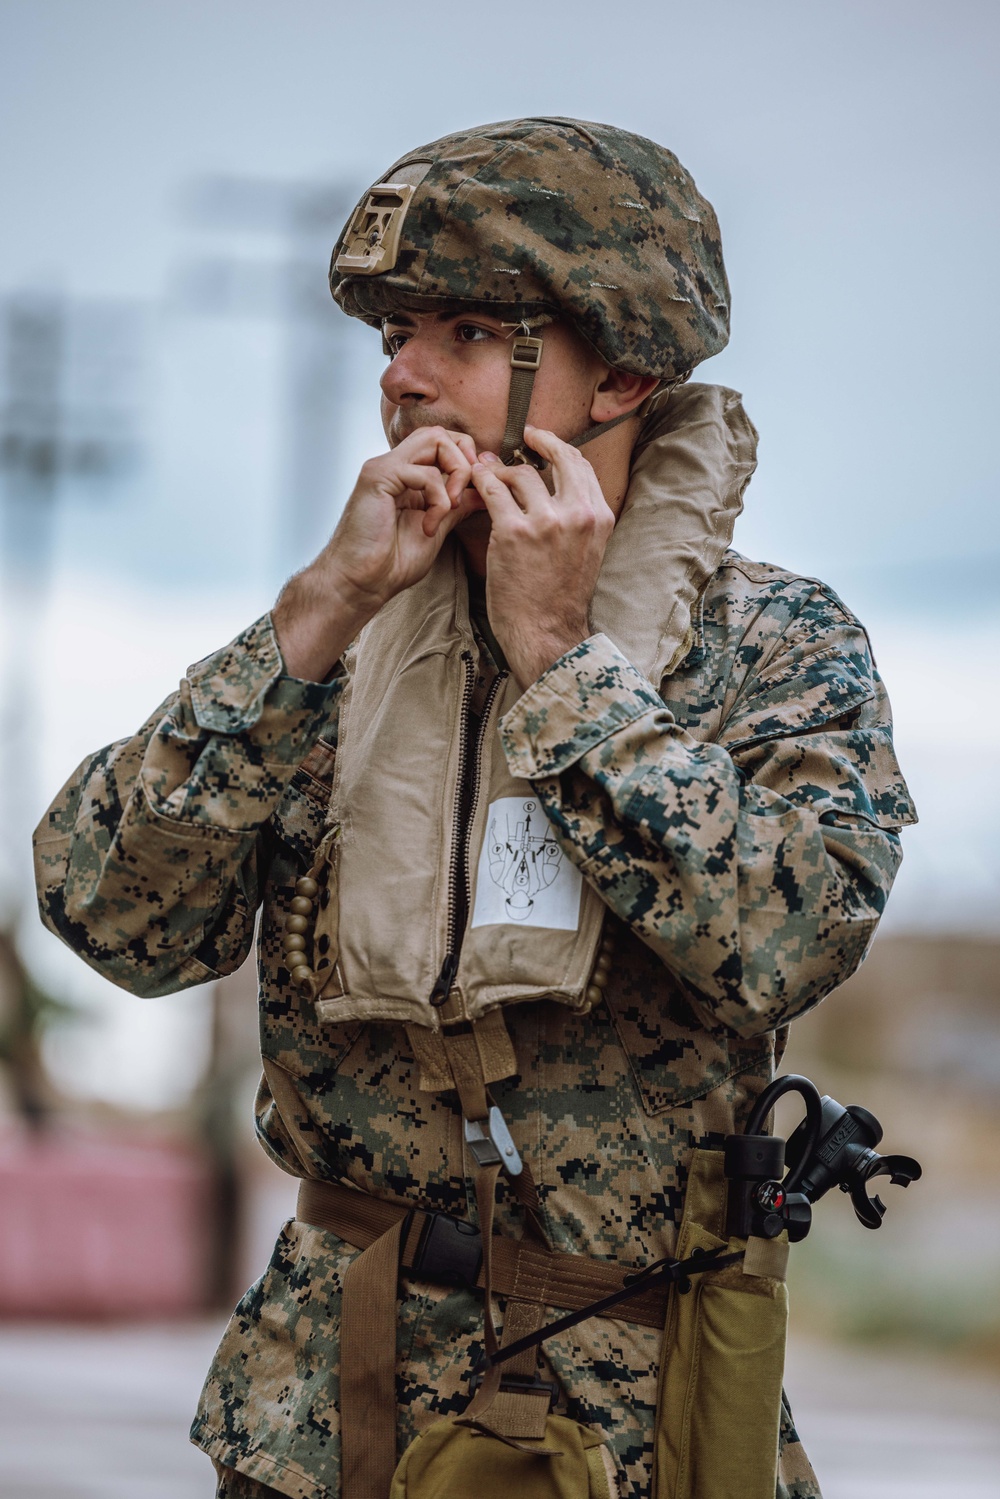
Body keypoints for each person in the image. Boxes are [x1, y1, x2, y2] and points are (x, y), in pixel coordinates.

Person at [33, 118, 916, 1499]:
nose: (399, 372)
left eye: (460, 328)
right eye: (393, 327)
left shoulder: (774, 648)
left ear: (621, 367)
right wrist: (313, 620)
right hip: (323, 1417)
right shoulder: (341, 636)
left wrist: (569, 671)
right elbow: (110, 921)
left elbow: (787, 936)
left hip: (631, 1423)